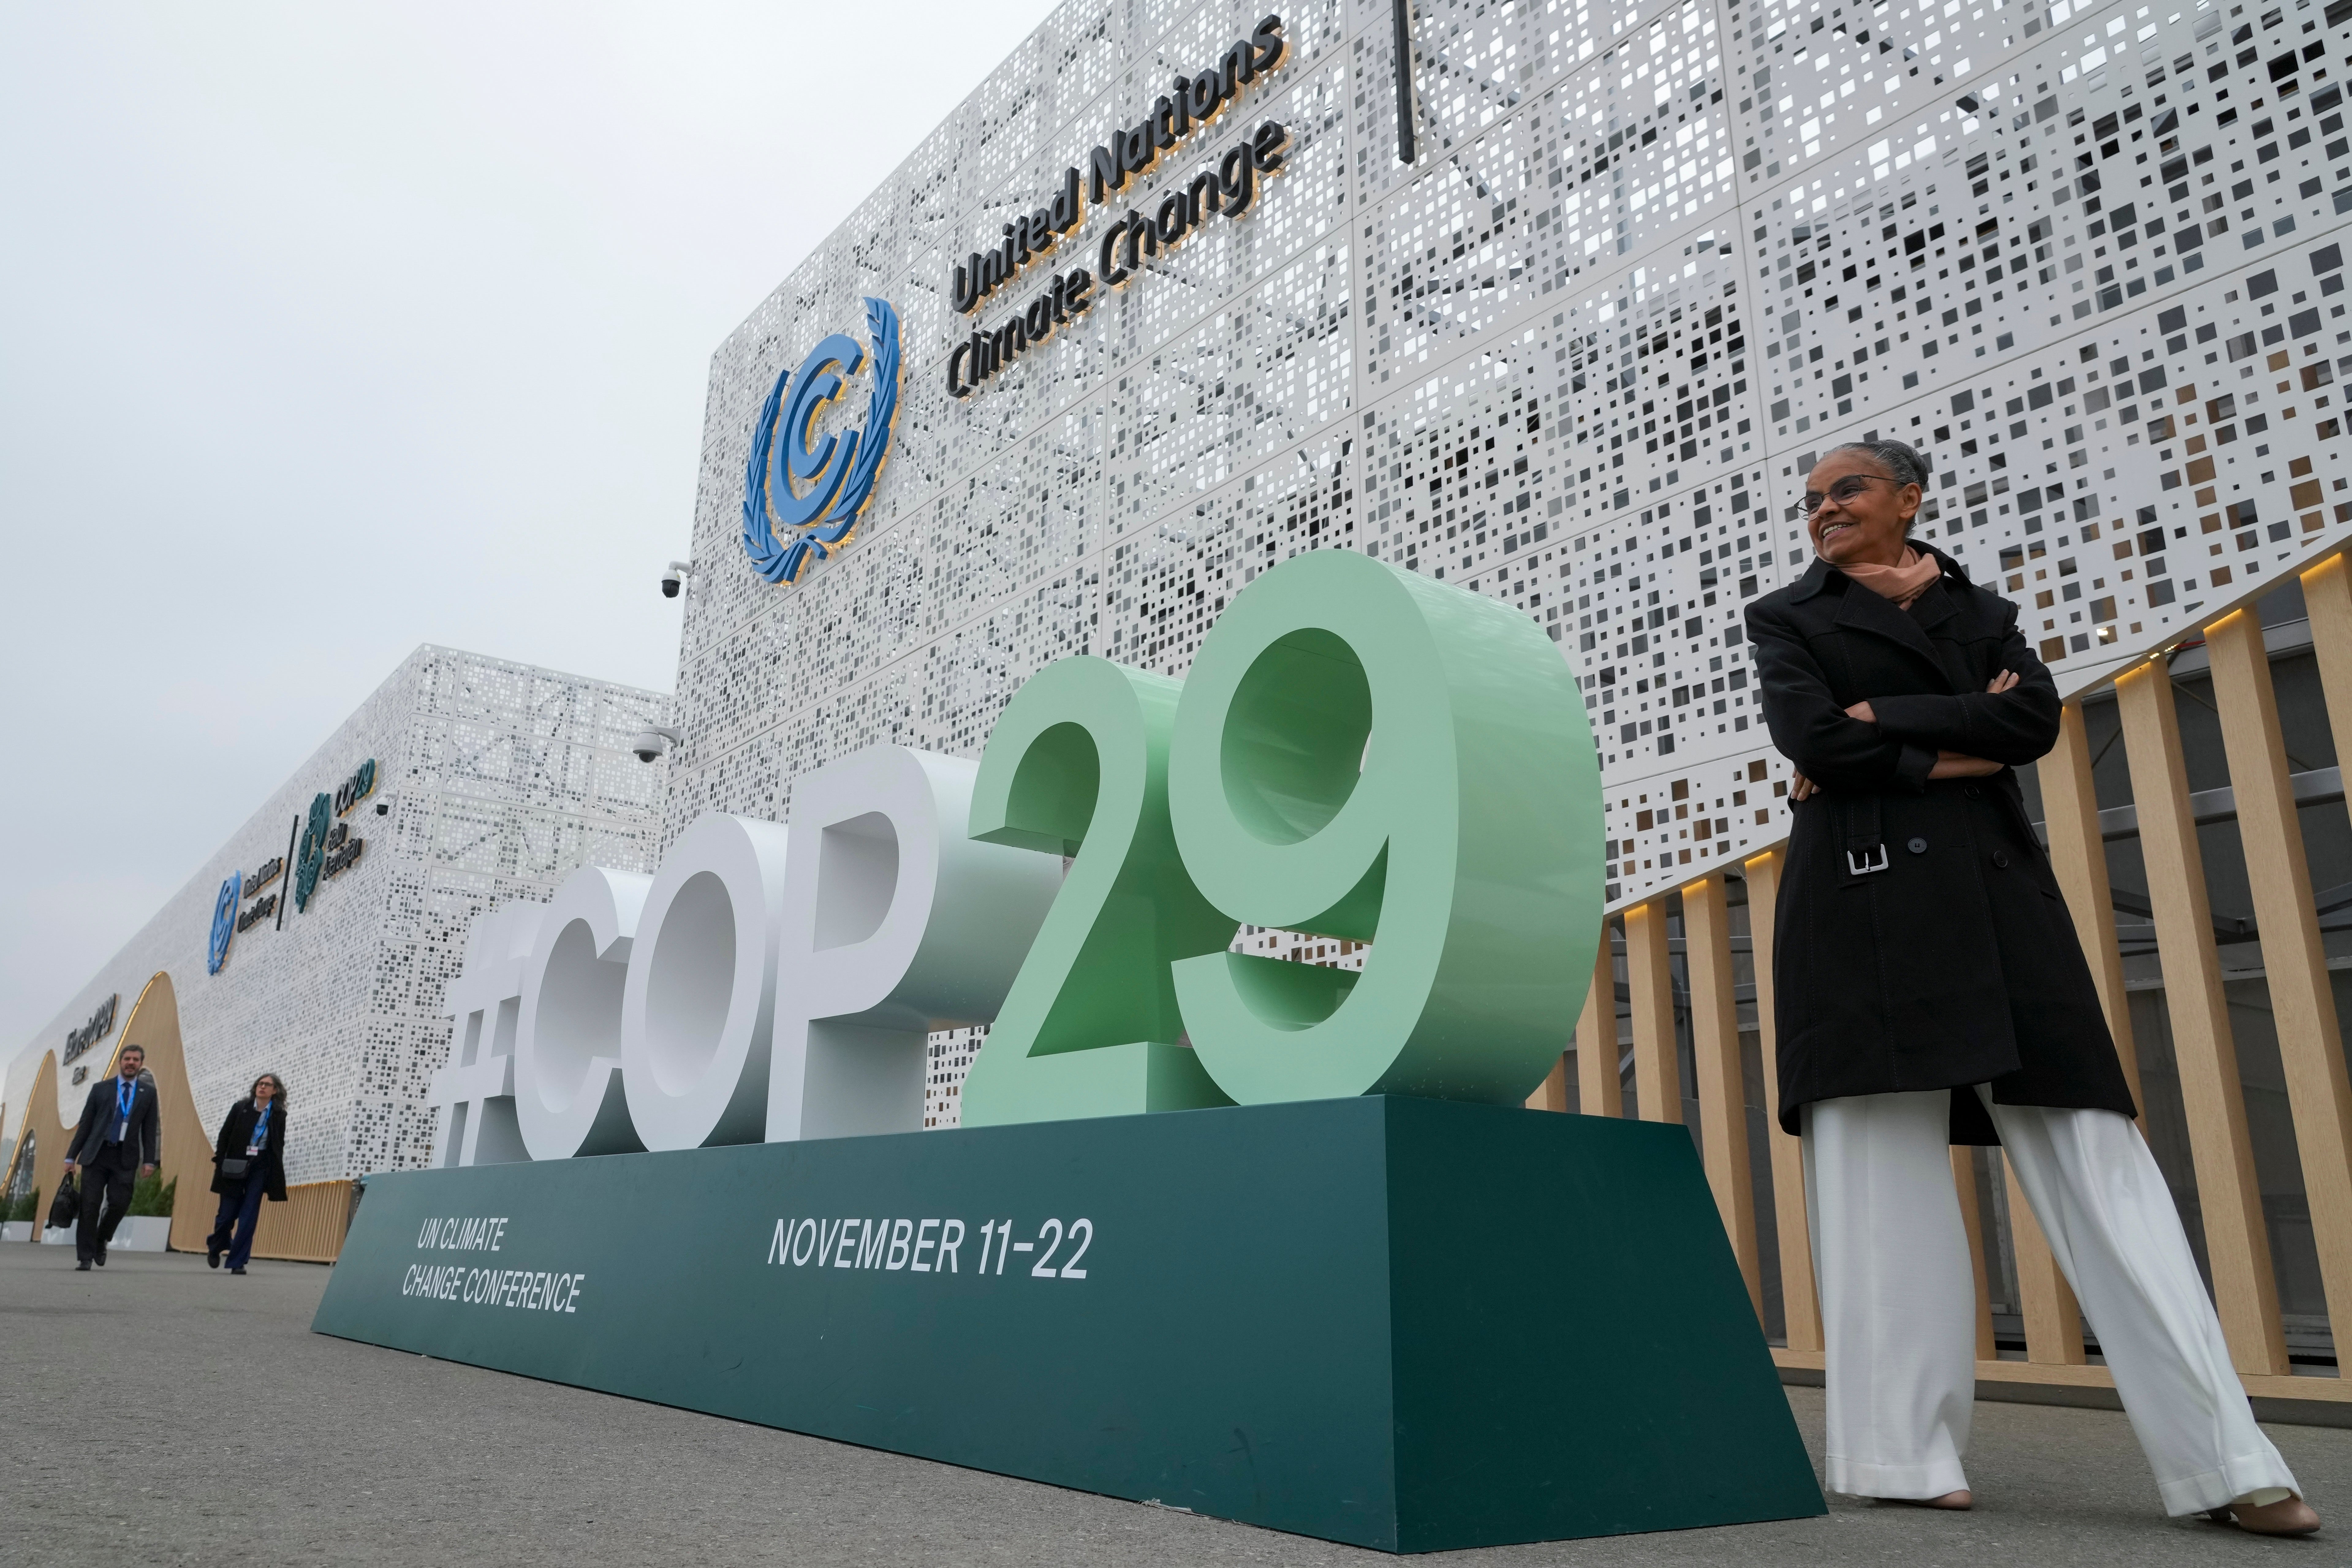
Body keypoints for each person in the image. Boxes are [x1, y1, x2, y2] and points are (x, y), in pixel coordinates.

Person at [1746, 440, 2321, 1538]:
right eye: (1810, 497)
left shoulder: (1978, 609)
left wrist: (1882, 729)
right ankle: (1894, 1453)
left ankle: (2225, 1460)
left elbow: (2030, 725)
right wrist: (1936, 744)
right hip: (1857, 906)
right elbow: (1805, 735)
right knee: (1874, 1173)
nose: (1820, 509)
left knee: (2097, 1156)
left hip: (1997, 899)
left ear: (1906, 500)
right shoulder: (1786, 615)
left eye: (1846, 490)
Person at [61, 1043, 160, 1271]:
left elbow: (149, 1128)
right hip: (97, 1154)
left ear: (141, 1064)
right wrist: (70, 1157)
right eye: (127, 1059)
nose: (131, 1063)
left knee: (120, 1203)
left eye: (136, 1060)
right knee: (90, 1206)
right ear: (120, 1061)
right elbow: (86, 1125)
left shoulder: (148, 1093)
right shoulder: (101, 1089)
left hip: (125, 1156)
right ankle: (85, 1257)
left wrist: (149, 1161)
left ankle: (101, 1238)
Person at [206, 1072, 287, 1275]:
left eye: (268, 1085)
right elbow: (225, 1135)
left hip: (260, 1166)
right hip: (235, 1164)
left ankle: (238, 1261)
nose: (262, 1087)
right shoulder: (240, 1108)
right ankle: (216, 1245)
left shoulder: (279, 1114)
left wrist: (274, 1171)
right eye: (260, 1084)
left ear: (275, 1091)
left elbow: (278, 1143)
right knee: (226, 1215)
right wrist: (220, 1161)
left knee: (249, 1214)